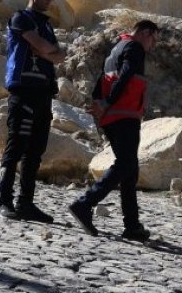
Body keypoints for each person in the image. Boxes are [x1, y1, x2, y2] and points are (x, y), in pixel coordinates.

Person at [67, 20, 159, 242]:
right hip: (124, 114)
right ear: (145, 33)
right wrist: (107, 102)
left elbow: (101, 80)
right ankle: (85, 203)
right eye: (154, 38)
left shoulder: (116, 48)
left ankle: (132, 225)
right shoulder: (134, 47)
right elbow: (126, 75)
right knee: (126, 165)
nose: (152, 45)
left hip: (112, 117)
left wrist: (100, 105)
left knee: (130, 169)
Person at [0, 0, 67, 222]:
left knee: (36, 150)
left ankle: (26, 202)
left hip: (44, 93)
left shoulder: (46, 25)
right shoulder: (21, 17)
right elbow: (43, 47)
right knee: (16, 146)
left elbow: (57, 55)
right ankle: (3, 198)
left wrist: (46, 50)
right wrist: (47, 50)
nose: (50, 0)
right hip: (23, 89)